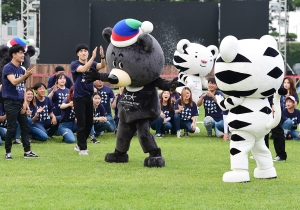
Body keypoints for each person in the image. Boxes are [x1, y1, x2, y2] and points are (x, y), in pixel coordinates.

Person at [1, 44, 39, 159]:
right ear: (14, 54)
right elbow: (14, 82)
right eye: (21, 53)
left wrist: (24, 103)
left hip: (19, 101)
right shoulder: (8, 67)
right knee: (11, 127)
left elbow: (22, 87)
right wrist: (26, 75)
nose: (23, 55)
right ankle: (8, 153)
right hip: (10, 101)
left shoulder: (21, 69)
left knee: (25, 126)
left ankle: (27, 152)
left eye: (23, 53)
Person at [71, 44, 106, 155]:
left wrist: (102, 57)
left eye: (85, 50)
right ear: (78, 54)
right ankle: (82, 149)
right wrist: (92, 58)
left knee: (89, 122)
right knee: (81, 123)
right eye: (81, 51)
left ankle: (79, 144)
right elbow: (83, 69)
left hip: (89, 96)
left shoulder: (93, 63)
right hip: (79, 97)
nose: (84, 52)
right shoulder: (74, 64)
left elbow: (102, 66)